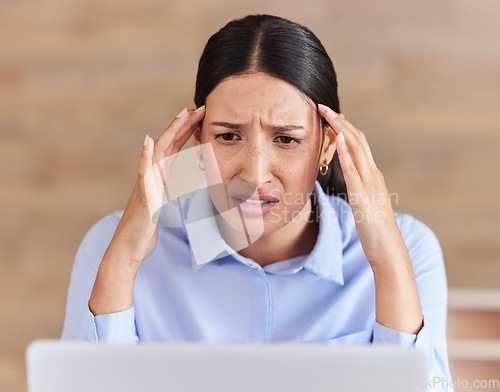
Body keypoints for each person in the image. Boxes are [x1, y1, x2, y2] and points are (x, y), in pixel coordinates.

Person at [62, 14, 452, 386]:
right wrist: (124, 260)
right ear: (195, 139)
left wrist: (386, 260)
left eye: (286, 139)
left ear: (328, 146)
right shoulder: (111, 244)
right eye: (228, 136)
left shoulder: (410, 249)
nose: (254, 174)